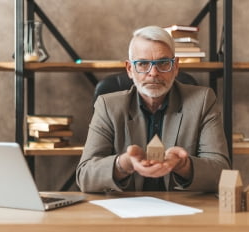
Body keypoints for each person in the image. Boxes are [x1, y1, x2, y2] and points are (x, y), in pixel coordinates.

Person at [76, 25, 230, 192]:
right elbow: (85, 176)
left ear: (176, 66)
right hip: (126, 211)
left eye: (163, 63)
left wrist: (183, 165)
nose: (154, 73)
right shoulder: (108, 106)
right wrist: (124, 164)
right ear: (130, 69)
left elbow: (222, 173)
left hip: (182, 210)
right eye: (143, 64)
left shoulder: (202, 101)